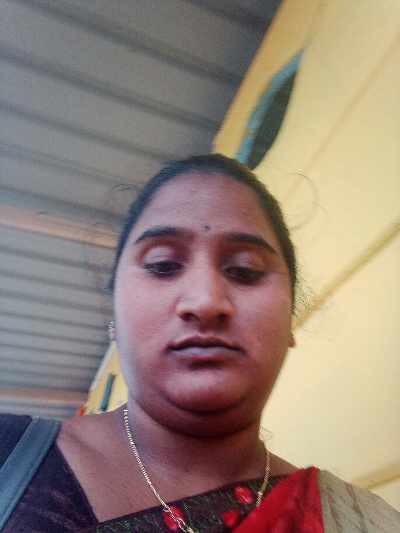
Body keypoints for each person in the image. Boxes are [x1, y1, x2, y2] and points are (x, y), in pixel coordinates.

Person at [0, 154, 398, 532]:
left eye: (245, 270)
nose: (206, 301)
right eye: (163, 265)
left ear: (290, 319)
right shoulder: (9, 456)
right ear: (115, 318)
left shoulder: (359, 521)